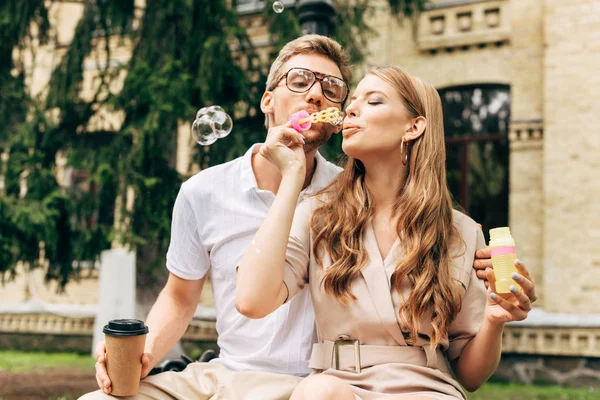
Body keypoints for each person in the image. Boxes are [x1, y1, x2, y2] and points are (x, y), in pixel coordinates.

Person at [83, 36, 495, 400]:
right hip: (224, 371)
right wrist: (147, 352)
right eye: (299, 81)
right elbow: (180, 296)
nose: (316, 96)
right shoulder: (203, 191)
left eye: (333, 90)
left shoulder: (345, 197)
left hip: (309, 382)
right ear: (267, 100)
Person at [235, 66, 537, 399]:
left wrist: (495, 319)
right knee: (317, 390)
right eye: (353, 102)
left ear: (413, 127)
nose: (351, 108)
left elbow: (471, 374)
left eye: (374, 101)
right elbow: (251, 301)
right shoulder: (317, 214)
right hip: (339, 387)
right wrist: (291, 176)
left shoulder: (459, 231)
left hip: (427, 390)